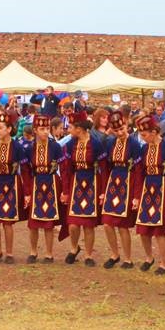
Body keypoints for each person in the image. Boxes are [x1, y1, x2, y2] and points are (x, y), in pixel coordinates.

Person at [133, 115, 165, 274]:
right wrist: (137, 196)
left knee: (159, 229)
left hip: (163, 186)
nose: (142, 138)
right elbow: (139, 173)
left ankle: (164, 264)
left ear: (154, 132)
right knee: (143, 227)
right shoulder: (144, 149)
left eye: (144, 134)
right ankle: (149, 258)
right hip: (147, 188)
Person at [62, 111, 107, 266]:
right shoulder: (70, 145)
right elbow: (66, 169)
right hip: (76, 184)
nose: (69, 130)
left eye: (71, 127)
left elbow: (104, 169)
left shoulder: (96, 144)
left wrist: (103, 191)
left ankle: (88, 255)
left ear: (79, 129)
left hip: (91, 184)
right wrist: (66, 191)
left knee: (88, 224)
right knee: (73, 224)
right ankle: (74, 248)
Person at [100, 110, 142, 269]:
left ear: (126, 125)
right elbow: (106, 167)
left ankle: (128, 258)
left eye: (122, 129)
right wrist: (104, 190)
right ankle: (114, 254)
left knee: (122, 225)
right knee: (107, 223)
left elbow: (138, 171)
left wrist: (136, 195)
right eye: (116, 130)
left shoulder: (134, 144)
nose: (120, 133)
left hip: (128, 183)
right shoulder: (110, 143)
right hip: (113, 184)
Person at [0, 110, 27, 264]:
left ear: (9, 129)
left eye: (1, 127)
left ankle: (9, 253)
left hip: (12, 184)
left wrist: (27, 191)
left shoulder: (17, 146)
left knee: (8, 222)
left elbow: (25, 169)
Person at [24, 113, 65, 263]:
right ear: (35, 130)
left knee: (49, 223)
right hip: (36, 184)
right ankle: (33, 252)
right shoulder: (29, 148)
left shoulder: (55, 147)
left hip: (52, 184)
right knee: (33, 223)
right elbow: (26, 171)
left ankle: (49, 253)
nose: (46, 132)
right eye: (42, 129)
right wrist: (27, 192)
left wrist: (65, 190)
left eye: (47, 128)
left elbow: (64, 168)